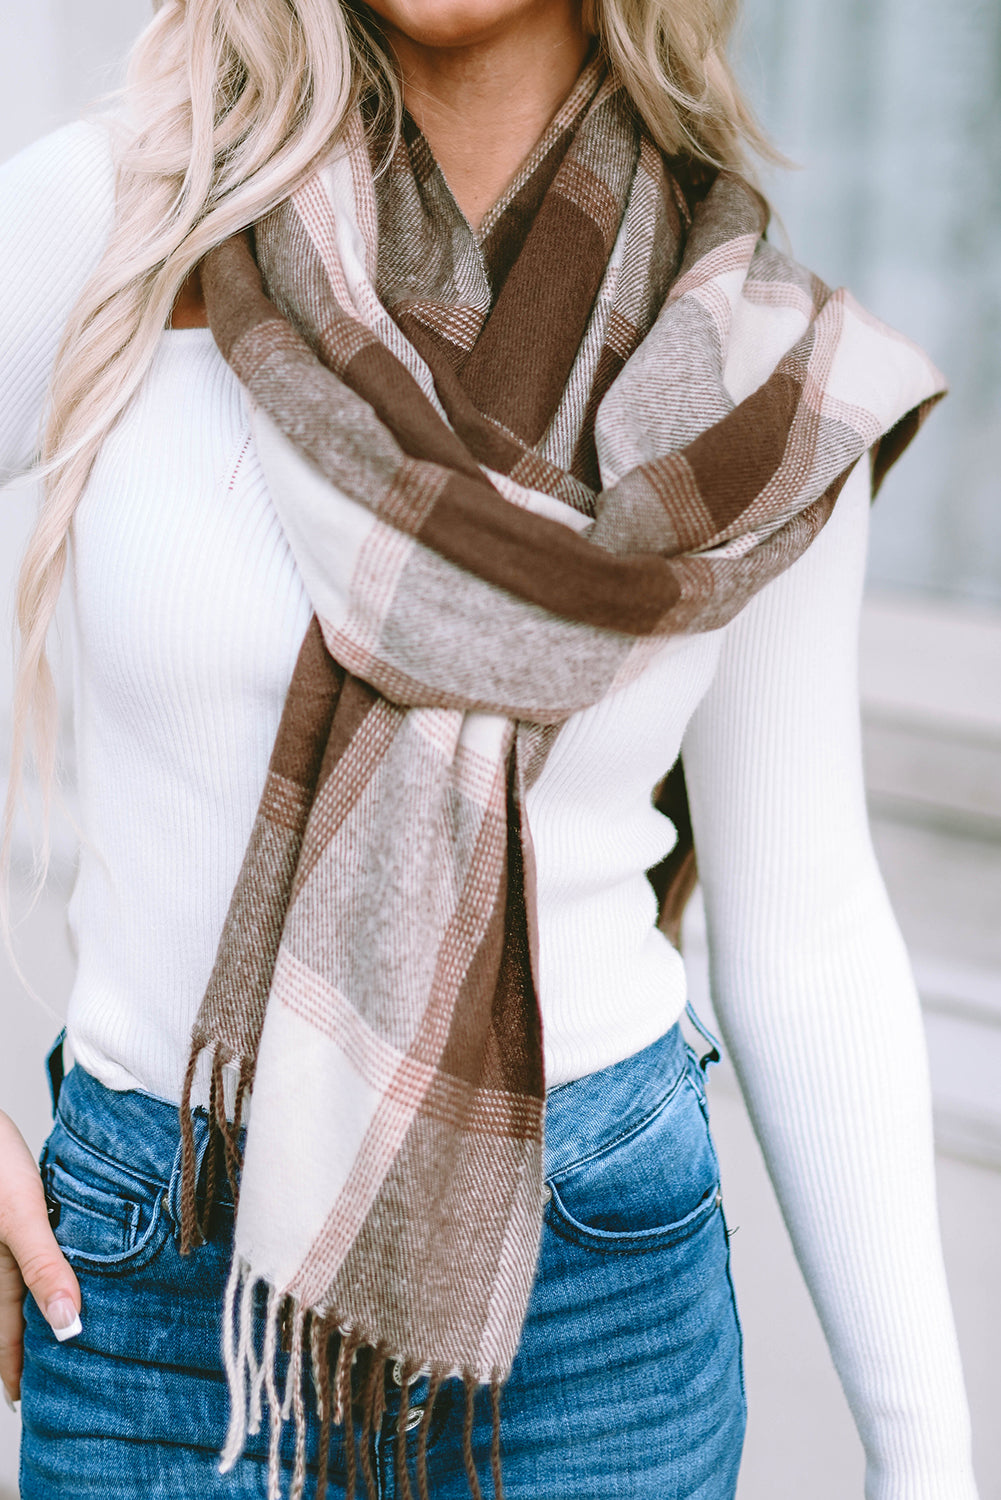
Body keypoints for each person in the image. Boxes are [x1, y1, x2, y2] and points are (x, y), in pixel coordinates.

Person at [0, 0, 980, 1497]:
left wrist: (928, 1463)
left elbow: (803, 919)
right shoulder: (120, 221)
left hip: (597, 1307)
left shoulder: (745, 355)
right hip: (155, 1292)